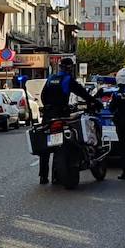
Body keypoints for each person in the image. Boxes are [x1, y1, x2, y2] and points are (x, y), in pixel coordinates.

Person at [37, 57, 98, 185]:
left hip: (48, 116)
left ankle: (43, 176)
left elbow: (43, 96)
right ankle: (56, 176)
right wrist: (93, 101)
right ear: (70, 68)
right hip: (61, 114)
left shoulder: (50, 79)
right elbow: (82, 93)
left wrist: (49, 107)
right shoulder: (68, 80)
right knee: (65, 143)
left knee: (46, 145)